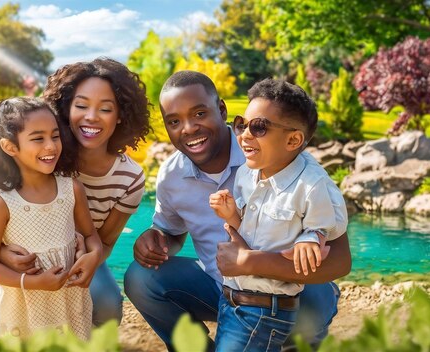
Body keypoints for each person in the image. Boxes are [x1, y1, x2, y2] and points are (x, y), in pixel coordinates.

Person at [124, 71, 352, 351]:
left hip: (291, 289)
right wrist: (156, 239)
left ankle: (298, 343)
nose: (189, 128)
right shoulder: (172, 175)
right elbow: (170, 233)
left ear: (221, 110)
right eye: (174, 121)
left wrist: (250, 262)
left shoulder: (284, 160)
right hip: (224, 290)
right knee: (140, 277)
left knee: (313, 302)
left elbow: (340, 260)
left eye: (199, 114)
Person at [0, 58, 152, 326]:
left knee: (108, 305)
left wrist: (91, 259)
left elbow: (104, 241)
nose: (91, 116)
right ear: (65, 108)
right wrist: (5, 245)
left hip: (78, 256)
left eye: (105, 109)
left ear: (121, 114)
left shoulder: (129, 178)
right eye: (81, 105)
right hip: (28, 259)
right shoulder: (40, 157)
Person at [208, 78, 348, 351]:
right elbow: (253, 231)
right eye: (241, 124)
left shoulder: (312, 184)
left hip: (265, 309)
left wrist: (312, 235)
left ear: (293, 139)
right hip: (233, 300)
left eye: (259, 127)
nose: (244, 135)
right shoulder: (247, 174)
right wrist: (233, 215)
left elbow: (333, 221)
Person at [0, 97, 102, 338]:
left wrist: (94, 256)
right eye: (38, 138)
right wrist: (33, 283)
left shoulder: (71, 189)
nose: (51, 146)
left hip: (68, 304)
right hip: (21, 309)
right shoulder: (2, 202)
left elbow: (90, 235)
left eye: (55, 135)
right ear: (10, 147)